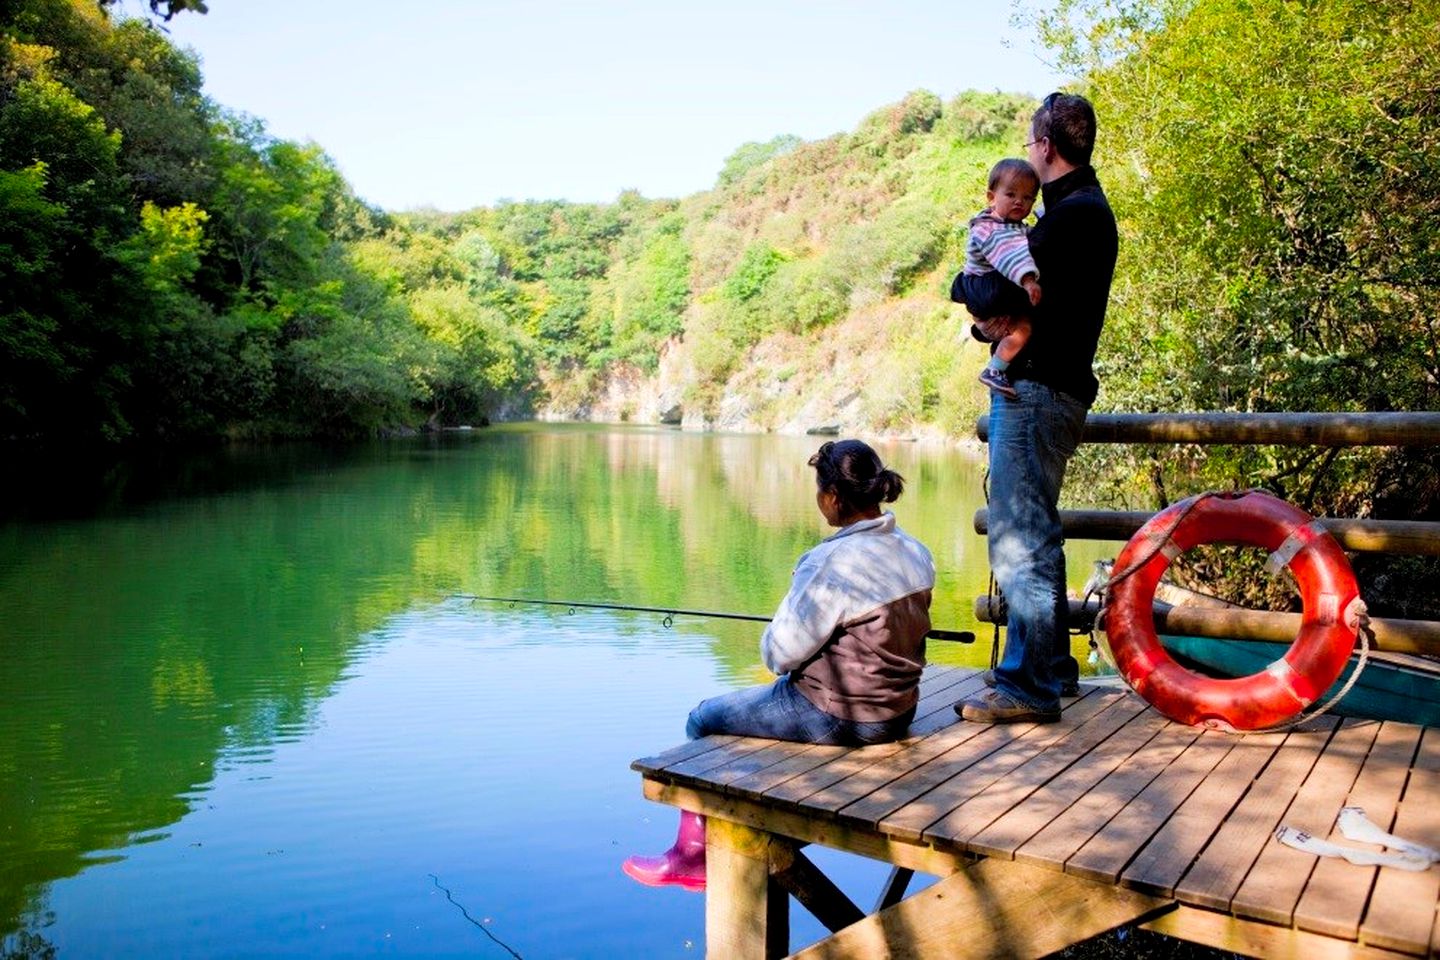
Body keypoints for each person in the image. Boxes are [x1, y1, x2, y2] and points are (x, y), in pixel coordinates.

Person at [622, 439, 936, 891]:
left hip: (837, 716)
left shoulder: (830, 562)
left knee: (704, 717)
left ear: (831, 497)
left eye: (818, 490)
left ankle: (691, 856)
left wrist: (777, 629)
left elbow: (779, 655)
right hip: (898, 711)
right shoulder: (915, 551)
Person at [953, 92, 1118, 725]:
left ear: (1044, 147)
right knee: (1035, 529)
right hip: (1052, 385)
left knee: (1021, 537)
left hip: (1036, 390)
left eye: (1030, 142)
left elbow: (985, 286)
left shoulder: (1070, 217)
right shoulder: (1075, 212)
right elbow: (1010, 303)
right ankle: (1049, 669)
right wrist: (986, 324)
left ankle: (1028, 685)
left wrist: (965, 291)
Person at [951, 158, 1044, 399]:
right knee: (1023, 329)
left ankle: (997, 365)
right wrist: (1028, 280)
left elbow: (1029, 238)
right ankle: (995, 369)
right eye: (1011, 194)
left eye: (1027, 198)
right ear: (991, 197)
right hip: (987, 305)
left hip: (988, 301)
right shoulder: (989, 229)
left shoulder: (1010, 226)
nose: (1019, 202)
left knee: (1023, 326)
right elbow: (1009, 255)